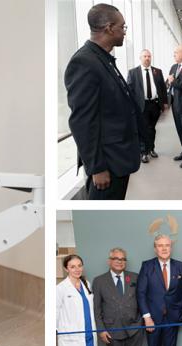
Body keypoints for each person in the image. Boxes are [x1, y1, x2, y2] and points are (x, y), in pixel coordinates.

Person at [64, 3, 141, 200]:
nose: (124, 32)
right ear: (108, 28)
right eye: (122, 27)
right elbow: (82, 121)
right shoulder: (84, 62)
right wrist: (97, 168)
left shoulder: (103, 59)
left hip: (118, 158)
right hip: (107, 165)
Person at [137, 235, 182, 346]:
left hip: (173, 318)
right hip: (152, 319)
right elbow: (141, 293)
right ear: (155, 249)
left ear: (171, 248)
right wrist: (147, 317)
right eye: (160, 245)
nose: (164, 248)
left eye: (167, 245)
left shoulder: (180, 266)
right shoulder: (147, 266)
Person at [92, 248, 143, 346]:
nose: (120, 261)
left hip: (134, 328)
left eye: (123, 259)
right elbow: (96, 308)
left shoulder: (135, 277)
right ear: (109, 261)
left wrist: (141, 322)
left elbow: (143, 300)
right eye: (116, 258)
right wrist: (101, 330)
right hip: (111, 329)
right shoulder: (99, 281)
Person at [57, 254, 97, 346]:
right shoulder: (60, 288)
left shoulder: (86, 284)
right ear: (66, 269)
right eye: (72, 267)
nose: (77, 269)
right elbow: (55, 313)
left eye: (79, 266)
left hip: (89, 335)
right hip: (72, 337)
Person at [127, 49, 168, 163]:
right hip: (141, 105)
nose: (147, 58)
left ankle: (151, 149)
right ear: (140, 58)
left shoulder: (157, 71)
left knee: (152, 128)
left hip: (155, 104)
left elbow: (163, 88)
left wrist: (164, 103)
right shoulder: (133, 72)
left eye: (149, 56)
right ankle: (143, 152)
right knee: (143, 129)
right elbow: (129, 90)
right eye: (144, 56)